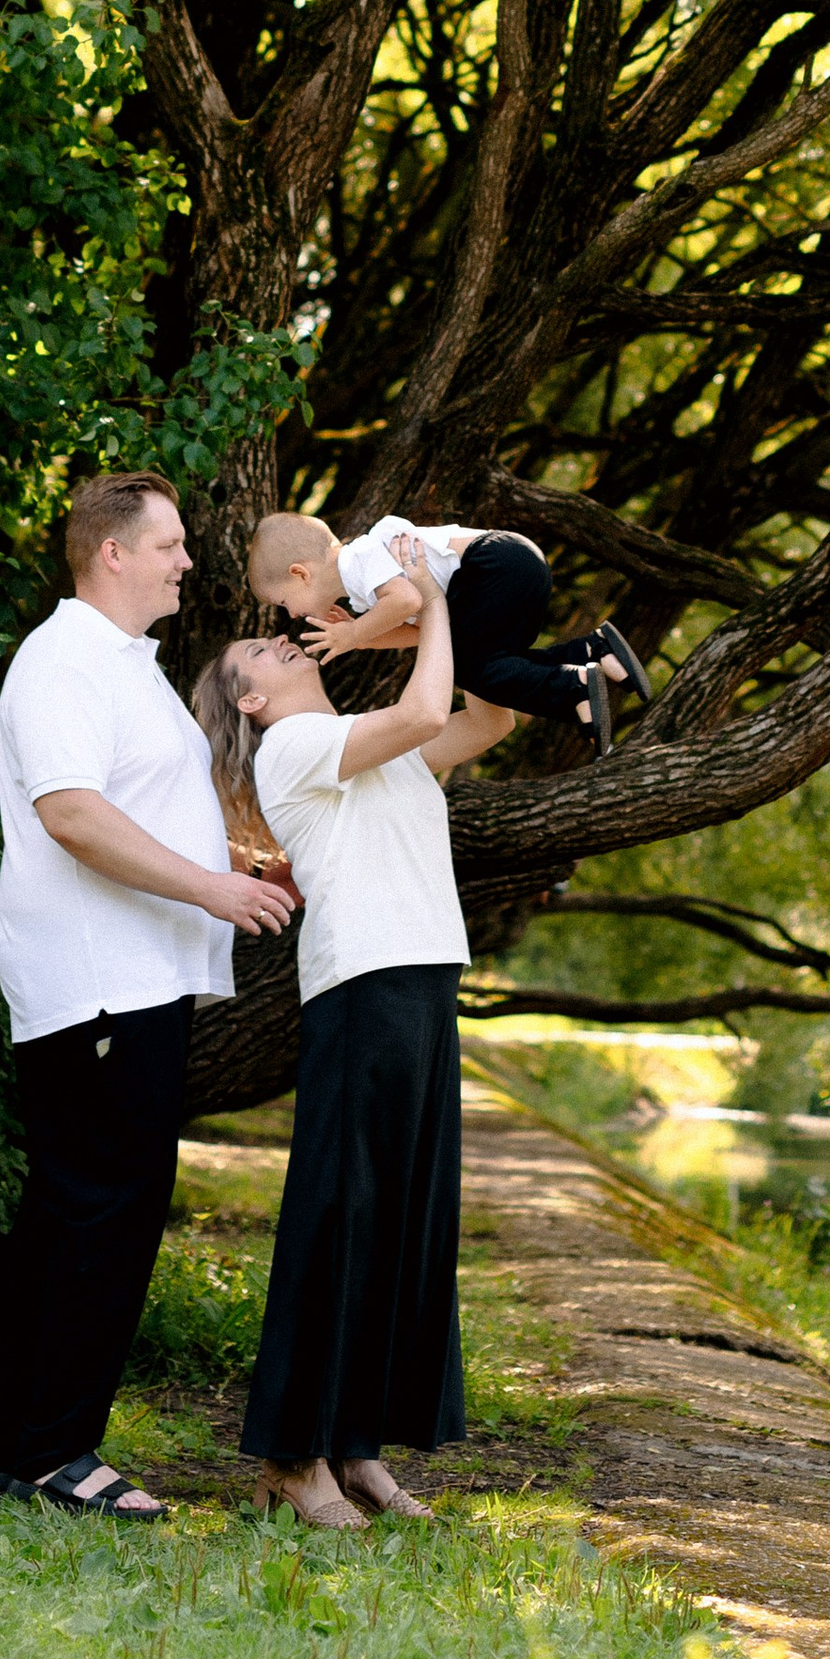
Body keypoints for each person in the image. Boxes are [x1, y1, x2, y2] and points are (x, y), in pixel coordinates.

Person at [0, 468, 298, 1519]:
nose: (186, 560)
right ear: (112, 551)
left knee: (86, 1211)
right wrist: (209, 885)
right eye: (168, 544)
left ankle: (24, 1446)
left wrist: (236, 857)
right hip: (95, 983)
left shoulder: (121, 664)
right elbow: (71, 811)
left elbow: (142, 800)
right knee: (96, 1217)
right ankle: (54, 1453)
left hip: (135, 981)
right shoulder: (65, 657)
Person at [193, 573, 509, 1525]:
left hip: (420, 979)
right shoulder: (293, 747)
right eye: (260, 653)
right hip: (363, 987)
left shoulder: (363, 745)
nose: (280, 642)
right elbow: (425, 709)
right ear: (252, 699)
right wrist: (426, 601)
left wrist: (394, 630)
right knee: (342, 1222)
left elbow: (486, 717)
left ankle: (356, 1445)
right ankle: (293, 1461)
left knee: (400, 1223)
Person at [245, 507, 651, 751]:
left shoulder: (359, 558)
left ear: (300, 574)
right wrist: (364, 636)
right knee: (486, 665)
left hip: (495, 565)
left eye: (284, 603)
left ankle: (573, 688)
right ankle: (592, 653)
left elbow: (407, 602)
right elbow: (425, 629)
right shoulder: (365, 592)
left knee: (469, 669)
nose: (293, 615)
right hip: (512, 567)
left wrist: (354, 634)